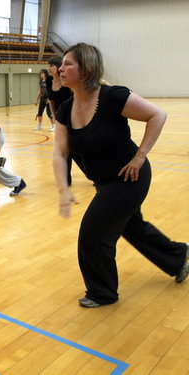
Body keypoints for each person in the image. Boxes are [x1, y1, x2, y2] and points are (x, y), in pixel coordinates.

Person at [53, 43, 189, 308]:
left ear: (86, 68)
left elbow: (157, 114)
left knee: (93, 232)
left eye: (68, 63)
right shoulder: (65, 109)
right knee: (133, 227)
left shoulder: (112, 97)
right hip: (104, 182)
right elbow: (60, 153)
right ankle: (179, 256)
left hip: (130, 178)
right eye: (62, 64)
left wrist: (140, 157)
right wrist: (63, 189)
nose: (61, 68)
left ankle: (102, 292)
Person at [47, 56, 77, 185]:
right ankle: (66, 178)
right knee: (64, 148)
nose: (49, 68)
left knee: (77, 147)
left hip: (73, 117)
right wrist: (54, 116)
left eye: (52, 65)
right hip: (61, 119)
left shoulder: (66, 80)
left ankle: (94, 173)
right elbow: (51, 100)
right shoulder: (49, 81)